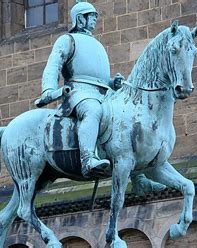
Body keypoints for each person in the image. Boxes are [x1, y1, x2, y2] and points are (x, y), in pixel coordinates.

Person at [40, 1, 122, 177]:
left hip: (103, 93)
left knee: (126, 116)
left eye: (94, 17)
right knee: (93, 110)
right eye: (90, 17)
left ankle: (139, 175)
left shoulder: (97, 44)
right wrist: (49, 89)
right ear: (80, 19)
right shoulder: (67, 40)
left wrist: (112, 83)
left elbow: (97, 76)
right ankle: (88, 159)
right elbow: (54, 65)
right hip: (78, 93)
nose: (94, 21)